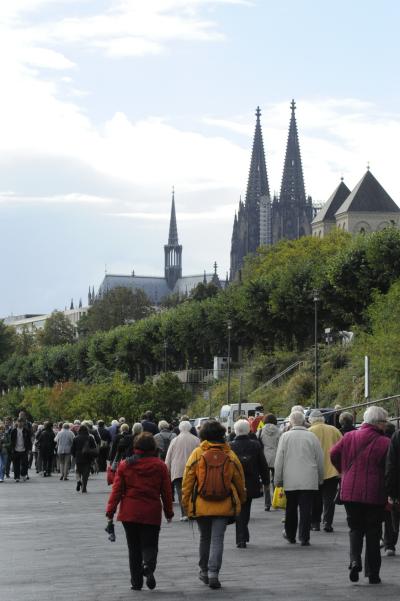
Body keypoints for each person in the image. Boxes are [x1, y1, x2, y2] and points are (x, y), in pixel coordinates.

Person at [182, 420, 246, 589]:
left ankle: (203, 571)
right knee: (218, 539)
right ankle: (213, 574)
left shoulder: (197, 454)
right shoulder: (230, 455)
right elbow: (239, 480)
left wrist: (185, 502)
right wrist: (241, 498)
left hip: (201, 503)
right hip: (224, 503)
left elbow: (188, 480)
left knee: (205, 537)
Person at [106, 432, 174, 591]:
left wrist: (110, 511)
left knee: (133, 548)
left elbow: (116, 491)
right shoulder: (160, 466)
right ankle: (148, 565)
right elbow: (166, 492)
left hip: (129, 512)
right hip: (151, 511)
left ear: (136, 447)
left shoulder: (125, 465)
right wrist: (169, 512)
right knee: (150, 545)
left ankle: (136, 582)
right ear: (153, 447)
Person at [331, 406, 390, 584]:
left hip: (350, 491)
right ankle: (373, 573)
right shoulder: (385, 442)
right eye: (384, 421)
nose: (386, 425)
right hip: (375, 492)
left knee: (355, 529)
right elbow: (390, 469)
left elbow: (333, 453)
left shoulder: (349, 437)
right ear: (378, 423)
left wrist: (343, 471)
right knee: (373, 532)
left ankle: (355, 560)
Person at [274, 411, 324, 546]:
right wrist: (320, 477)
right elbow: (319, 459)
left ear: (290, 422)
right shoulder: (312, 436)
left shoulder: (285, 437)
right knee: (306, 509)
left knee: (291, 508)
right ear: (303, 421)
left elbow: (279, 460)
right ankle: (304, 536)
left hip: (290, 478)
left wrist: (277, 479)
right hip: (309, 478)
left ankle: (290, 534)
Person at [230, 419, 269, 548]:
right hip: (252, 482)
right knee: (246, 509)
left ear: (235, 431)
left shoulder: (230, 446)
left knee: (239, 509)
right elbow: (263, 465)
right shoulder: (255, 445)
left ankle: (241, 537)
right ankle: (242, 536)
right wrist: (266, 482)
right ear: (249, 430)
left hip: (235, 483)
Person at [309, 409, 342, 532]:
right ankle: (328, 522)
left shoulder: (310, 431)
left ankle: (315, 523)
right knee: (329, 499)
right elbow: (342, 448)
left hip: (315, 470)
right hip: (332, 470)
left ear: (311, 420)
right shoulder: (334, 430)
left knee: (315, 498)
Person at [165, 421, 199, 520]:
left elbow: (168, 457)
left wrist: (167, 469)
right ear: (189, 428)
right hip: (193, 469)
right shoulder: (196, 440)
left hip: (178, 470)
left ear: (180, 428)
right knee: (193, 490)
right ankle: (192, 511)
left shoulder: (174, 440)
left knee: (180, 491)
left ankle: (184, 514)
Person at [257, 413, 281, 510]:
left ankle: (267, 504)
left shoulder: (260, 431)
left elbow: (258, 445)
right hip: (276, 457)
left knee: (265, 482)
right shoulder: (279, 431)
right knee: (276, 481)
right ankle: (276, 502)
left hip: (264, 458)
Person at [71, 424, 98, 493]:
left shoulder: (76, 438)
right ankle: (84, 487)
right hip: (88, 457)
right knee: (86, 473)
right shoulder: (90, 438)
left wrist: (74, 455)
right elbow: (94, 447)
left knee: (78, 471)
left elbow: (72, 449)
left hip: (78, 457)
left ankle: (78, 480)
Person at [10, 418, 32, 482]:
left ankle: (23, 474)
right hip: (15, 450)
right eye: (19, 422)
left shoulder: (26, 431)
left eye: (21, 422)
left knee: (25, 463)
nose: (20, 423)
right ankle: (17, 477)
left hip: (24, 450)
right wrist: (11, 449)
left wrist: (29, 449)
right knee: (16, 464)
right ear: (17, 422)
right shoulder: (13, 431)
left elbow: (29, 440)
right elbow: (11, 441)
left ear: (23, 423)